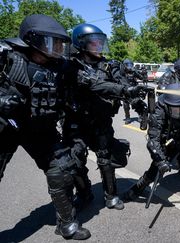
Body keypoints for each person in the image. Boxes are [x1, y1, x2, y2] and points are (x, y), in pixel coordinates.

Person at [0, 14, 90, 240]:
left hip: (40, 129)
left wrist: (122, 90)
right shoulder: (6, 57)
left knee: (61, 171)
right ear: (34, 40)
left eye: (61, 43)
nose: (59, 47)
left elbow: (93, 80)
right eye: (53, 42)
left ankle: (66, 223)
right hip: (6, 125)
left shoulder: (62, 66)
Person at [64, 23, 144, 210]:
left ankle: (111, 195)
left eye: (101, 43)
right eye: (94, 43)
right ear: (81, 44)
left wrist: (137, 102)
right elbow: (95, 85)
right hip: (76, 122)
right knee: (74, 162)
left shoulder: (110, 65)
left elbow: (124, 85)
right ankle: (84, 194)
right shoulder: (71, 66)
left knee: (106, 159)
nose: (99, 46)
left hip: (101, 121)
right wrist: (123, 89)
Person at [124, 83, 180, 201]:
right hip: (168, 140)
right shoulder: (158, 113)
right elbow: (153, 141)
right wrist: (161, 161)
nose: (178, 111)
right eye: (174, 108)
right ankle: (139, 187)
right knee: (156, 169)